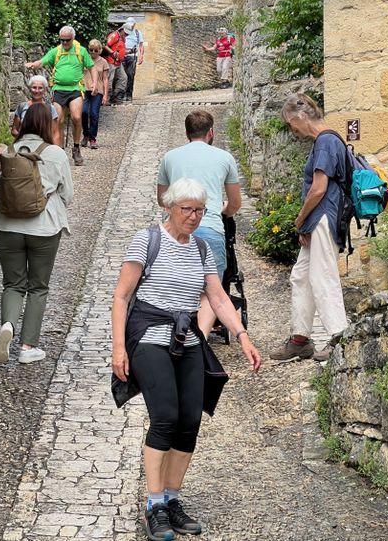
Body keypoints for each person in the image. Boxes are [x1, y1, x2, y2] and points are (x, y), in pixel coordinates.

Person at [112, 178, 260, 541]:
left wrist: (242, 336)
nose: (194, 217)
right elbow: (121, 296)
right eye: (187, 209)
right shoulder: (147, 240)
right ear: (169, 207)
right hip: (149, 338)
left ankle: (173, 499)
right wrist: (119, 347)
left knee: (190, 420)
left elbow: (219, 299)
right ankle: (154, 505)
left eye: (200, 210)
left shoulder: (201, 249)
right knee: (165, 417)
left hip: (187, 340)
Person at [0, 103, 73, 365]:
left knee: (13, 284)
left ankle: (8, 326)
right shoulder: (56, 154)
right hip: (44, 229)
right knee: (38, 286)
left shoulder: (9, 151)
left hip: (8, 227)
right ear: (48, 124)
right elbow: (67, 195)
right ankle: (28, 347)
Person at [269, 94, 348, 363]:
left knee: (322, 276)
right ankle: (300, 339)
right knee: (302, 276)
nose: (294, 131)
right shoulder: (327, 140)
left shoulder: (325, 142)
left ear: (299, 117)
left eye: (292, 125)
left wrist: (301, 219)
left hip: (324, 216)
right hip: (321, 218)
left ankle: (340, 336)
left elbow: (318, 189)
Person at [157, 110, 241, 334]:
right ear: (211, 132)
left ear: (187, 133)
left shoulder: (169, 158)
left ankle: (175, 332)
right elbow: (235, 202)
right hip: (211, 225)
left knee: (175, 283)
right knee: (209, 291)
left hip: (176, 231)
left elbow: (162, 200)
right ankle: (201, 339)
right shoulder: (225, 158)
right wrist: (223, 210)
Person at [26, 26, 97, 167]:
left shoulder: (80, 51)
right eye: (62, 40)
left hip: (76, 88)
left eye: (67, 40)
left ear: (73, 38)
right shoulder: (56, 51)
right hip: (59, 89)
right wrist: (33, 64)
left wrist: (94, 83)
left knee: (77, 117)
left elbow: (92, 67)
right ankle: (59, 150)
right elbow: (43, 61)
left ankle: (76, 148)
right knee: (57, 120)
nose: (64, 43)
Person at [11, 74, 59, 144]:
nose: (37, 91)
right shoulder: (22, 107)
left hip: (44, 147)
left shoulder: (50, 109)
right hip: (24, 146)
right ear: (30, 88)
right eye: (34, 87)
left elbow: (55, 133)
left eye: (40, 88)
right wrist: (24, 139)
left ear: (45, 90)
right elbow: (14, 130)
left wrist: (54, 149)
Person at [81, 39, 109, 149]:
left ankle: (92, 138)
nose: (93, 52)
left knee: (94, 114)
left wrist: (106, 95)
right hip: (84, 89)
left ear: (100, 50)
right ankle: (86, 134)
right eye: (91, 50)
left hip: (98, 91)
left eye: (96, 50)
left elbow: (105, 79)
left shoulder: (103, 62)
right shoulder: (84, 59)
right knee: (83, 112)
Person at [103, 22, 128, 104]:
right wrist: (112, 52)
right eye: (126, 33)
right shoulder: (114, 35)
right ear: (122, 30)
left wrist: (130, 51)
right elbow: (104, 45)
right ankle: (106, 99)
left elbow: (121, 50)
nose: (127, 34)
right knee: (109, 80)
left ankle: (118, 98)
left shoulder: (123, 38)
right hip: (110, 61)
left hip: (118, 62)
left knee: (123, 78)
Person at [122, 17, 145, 103]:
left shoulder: (137, 33)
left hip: (132, 56)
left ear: (134, 24)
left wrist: (141, 56)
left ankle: (128, 95)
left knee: (130, 75)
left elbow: (141, 45)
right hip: (122, 55)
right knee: (122, 76)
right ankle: (121, 95)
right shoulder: (122, 31)